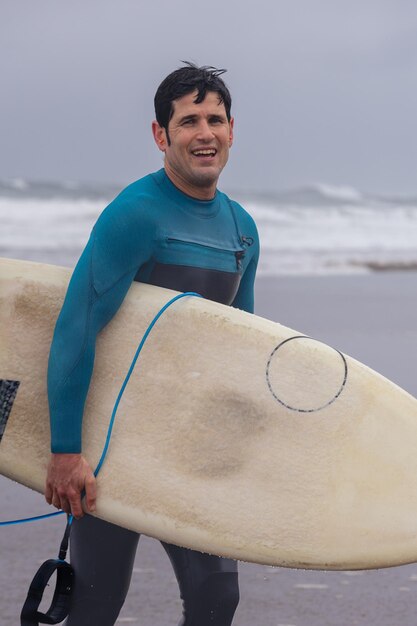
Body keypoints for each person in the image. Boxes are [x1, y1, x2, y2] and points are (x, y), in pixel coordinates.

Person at [45, 62, 260, 626]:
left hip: (192, 447)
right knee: (96, 602)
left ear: (233, 130)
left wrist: (242, 452)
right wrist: (66, 449)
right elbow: (77, 327)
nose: (205, 133)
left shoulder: (242, 229)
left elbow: (241, 347)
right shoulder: (134, 216)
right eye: (189, 120)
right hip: (114, 443)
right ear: (161, 134)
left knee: (218, 598)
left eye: (215, 119)